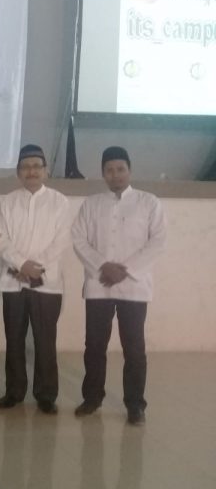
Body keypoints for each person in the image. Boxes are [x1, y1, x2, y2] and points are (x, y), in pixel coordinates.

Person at [72, 146, 166, 425]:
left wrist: (125, 271)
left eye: (120, 169)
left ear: (129, 170)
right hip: (99, 284)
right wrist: (104, 266)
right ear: (103, 173)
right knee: (94, 345)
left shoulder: (149, 202)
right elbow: (79, 239)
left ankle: (135, 405)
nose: (116, 175)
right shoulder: (91, 204)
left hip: (134, 287)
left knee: (134, 348)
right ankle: (92, 398)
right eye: (109, 170)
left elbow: (158, 241)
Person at [0, 144, 71, 415]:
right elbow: (0, 240)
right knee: (14, 339)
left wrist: (34, 267)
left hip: (47, 284)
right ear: (18, 172)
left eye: (37, 166)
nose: (31, 171)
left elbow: (61, 240)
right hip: (13, 281)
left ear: (45, 171)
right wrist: (21, 264)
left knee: (45, 340)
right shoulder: (7, 202)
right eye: (26, 167)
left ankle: (46, 394)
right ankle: (14, 391)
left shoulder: (60, 202)